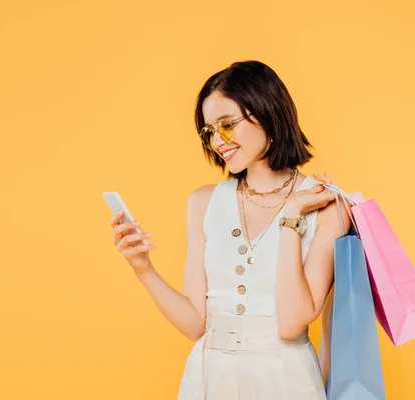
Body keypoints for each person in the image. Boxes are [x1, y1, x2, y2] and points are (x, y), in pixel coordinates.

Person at [110, 60, 352, 400]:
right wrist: (142, 268)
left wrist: (292, 216)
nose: (217, 142)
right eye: (209, 132)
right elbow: (195, 324)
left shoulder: (328, 206)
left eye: (227, 125)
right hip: (209, 379)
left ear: (268, 111)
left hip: (286, 381)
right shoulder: (202, 202)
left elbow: (292, 323)